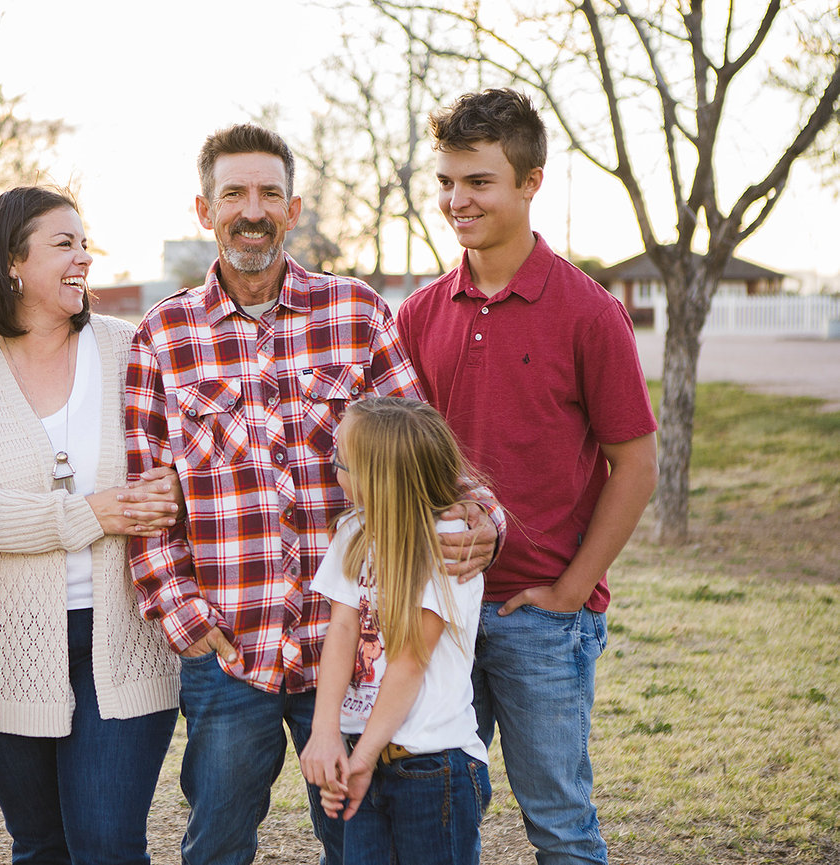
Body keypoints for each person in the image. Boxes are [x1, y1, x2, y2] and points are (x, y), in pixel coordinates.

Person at [125, 123, 505, 865]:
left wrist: (484, 517)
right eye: (233, 192)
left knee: (359, 834)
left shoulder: (356, 314)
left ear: (294, 208)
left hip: (353, 647)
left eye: (270, 192)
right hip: (234, 646)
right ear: (205, 210)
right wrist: (184, 614)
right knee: (218, 842)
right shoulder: (162, 336)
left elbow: (418, 450)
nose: (252, 209)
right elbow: (149, 503)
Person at [397, 88, 659, 865]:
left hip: (540, 614)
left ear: (529, 182)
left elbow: (636, 463)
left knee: (560, 825)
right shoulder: (417, 313)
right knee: (442, 817)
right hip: (441, 607)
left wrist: (574, 588)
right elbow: (407, 459)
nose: (456, 200)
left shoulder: (587, 311)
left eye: (477, 181)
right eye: (446, 181)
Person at [0, 186, 182, 865]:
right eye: (64, 244)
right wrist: (89, 514)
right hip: (4, 641)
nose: (83, 258)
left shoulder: (135, 351)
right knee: (39, 846)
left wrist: (169, 488)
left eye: (84, 243)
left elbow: (184, 461)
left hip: (125, 635)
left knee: (107, 845)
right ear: (12, 262)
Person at [300, 397, 490, 865]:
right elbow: (342, 630)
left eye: (340, 461)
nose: (334, 469)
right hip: (358, 753)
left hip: (432, 765)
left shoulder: (447, 547)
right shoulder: (355, 531)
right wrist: (326, 732)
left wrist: (363, 758)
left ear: (378, 477)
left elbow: (408, 662)